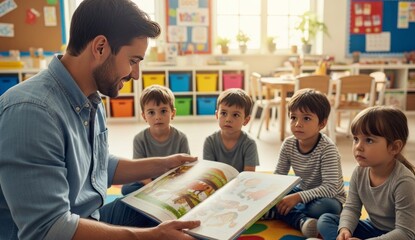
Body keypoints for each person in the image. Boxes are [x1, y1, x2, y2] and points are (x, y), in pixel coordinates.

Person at [0, 0, 200, 239]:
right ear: (101, 47)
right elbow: (48, 229)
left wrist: (165, 165)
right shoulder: (32, 112)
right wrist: (149, 237)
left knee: (174, 213)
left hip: (88, 217)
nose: (135, 75)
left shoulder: (91, 98)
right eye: (133, 61)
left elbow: (99, 165)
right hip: (61, 230)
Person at [317, 106, 415, 240]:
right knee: (326, 220)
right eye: (356, 139)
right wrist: (345, 229)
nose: (358, 147)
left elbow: (404, 233)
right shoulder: (359, 172)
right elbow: (351, 208)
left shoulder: (404, 183)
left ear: (394, 147)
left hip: (409, 237)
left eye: (369, 140)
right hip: (375, 229)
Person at [262, 88, 346, 238]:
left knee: (323, 208)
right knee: (271, 194)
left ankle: (279, 212)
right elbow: (279, 177)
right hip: (302, 192)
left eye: (306, 118)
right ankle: (301, 221)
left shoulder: (328, 148)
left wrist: (297, 198)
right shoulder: (288, 144)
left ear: (322, 123)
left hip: (328, 198)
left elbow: (331, 188)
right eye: (293, 117)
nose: (297, 124)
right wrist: (271, 194)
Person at [121, 85, 191, 195]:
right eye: (151, 112)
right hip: (149, 181)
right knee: (126, 188)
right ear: (144, 116)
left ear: (172, 113)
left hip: (172, 181)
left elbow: (186, 168)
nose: (158, 117)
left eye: (163, 111)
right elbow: (139, 170)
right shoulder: (140, 139)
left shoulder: (181, 138)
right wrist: (153, 187)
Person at [203, 88, 259, 172]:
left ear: (246, 120)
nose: (228, 119)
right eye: (224, 113)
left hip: (241, 184)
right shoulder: (210, 141)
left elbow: (249, 175)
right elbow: (209, 173)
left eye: (235, 115)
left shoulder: (249, 144)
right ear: (217, 115)